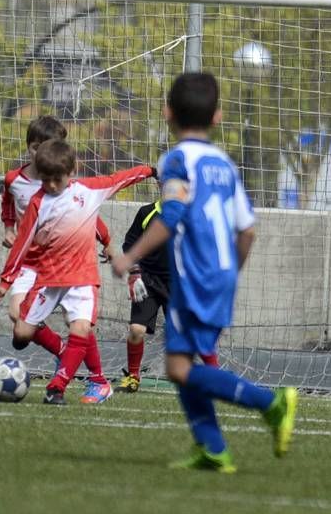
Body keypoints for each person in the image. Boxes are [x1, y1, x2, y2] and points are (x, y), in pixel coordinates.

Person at [112, 73, 297, 472]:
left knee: (178, 367)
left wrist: (130, 259)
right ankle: (212, 448)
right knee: (182, 361)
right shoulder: (225, 165)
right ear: (217, 117)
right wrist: (229, 273)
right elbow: (247, 230)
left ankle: (271, 402)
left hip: (193, 275)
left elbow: (173, 214)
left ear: (167, 113)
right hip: (221, 273)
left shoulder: (176, 159)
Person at [0, 139, 154, 405]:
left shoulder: (89, 190)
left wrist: (151, 170)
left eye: (57, 179)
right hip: (49, 279)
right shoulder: (38, 202)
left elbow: (121, 178)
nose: (52, 186)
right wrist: (5, 280)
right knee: (22, 333)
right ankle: (73, 358)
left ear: (71, 172)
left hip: (82, 279)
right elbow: (22, 242)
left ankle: (57, 387)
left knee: (80, 329)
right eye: (46, 180)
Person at [1, 115, 113, 372]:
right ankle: (62, 352)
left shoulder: (68, 186)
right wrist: (9, 228)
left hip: (65, 263)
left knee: (76, 319)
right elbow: (7, 203)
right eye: (36, 148)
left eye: (50, 147)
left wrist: (106, 240)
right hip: (30, 263)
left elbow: (87, 216)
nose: (42, 154)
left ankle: (96, 376)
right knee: (17, 316)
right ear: (29, 146)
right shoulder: (13, 180)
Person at [117, 197, 219, 394]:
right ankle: (133, 377)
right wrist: (134, 273)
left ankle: (215, 377)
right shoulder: (146, 212)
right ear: (160, 186)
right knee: (136, 330)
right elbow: (129, 244)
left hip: (179, 283)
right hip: (148, 282)